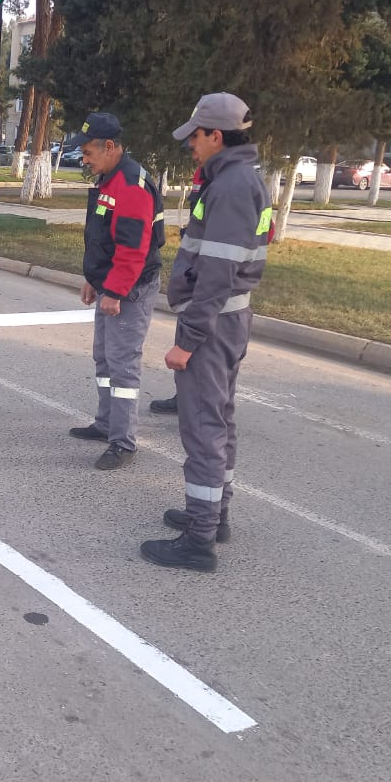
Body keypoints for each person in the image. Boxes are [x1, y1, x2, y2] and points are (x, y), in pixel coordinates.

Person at [141, 93, 272, 573]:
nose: (190, 145)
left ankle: (198, 539)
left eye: (195, 137)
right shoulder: (239, 177)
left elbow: (217, 274)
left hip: (212, 323)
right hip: (227, 319)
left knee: (203, 426)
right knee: (219, 419)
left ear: (216, 136)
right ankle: (215, 516)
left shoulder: (231, 186)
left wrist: (188, 340)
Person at [64, 112, 166, 470]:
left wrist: (116, 291)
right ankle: (106, 423)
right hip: (111, 283)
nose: (84, 159)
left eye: (88, 152)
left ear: (109, 146)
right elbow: (103, 238)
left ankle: (123, 442)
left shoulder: (131, 186)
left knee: (122, 366)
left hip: (131, 289)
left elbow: (132, 248)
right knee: (104, 359)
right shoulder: (110, 178)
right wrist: (95, 280)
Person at [148, 166, 205, 417]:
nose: (192, 149)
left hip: (207, 271)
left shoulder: (228, 181)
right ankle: (186, 396)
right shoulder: (207, 173)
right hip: (197, 265)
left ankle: (199, 404)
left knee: (201, 344)